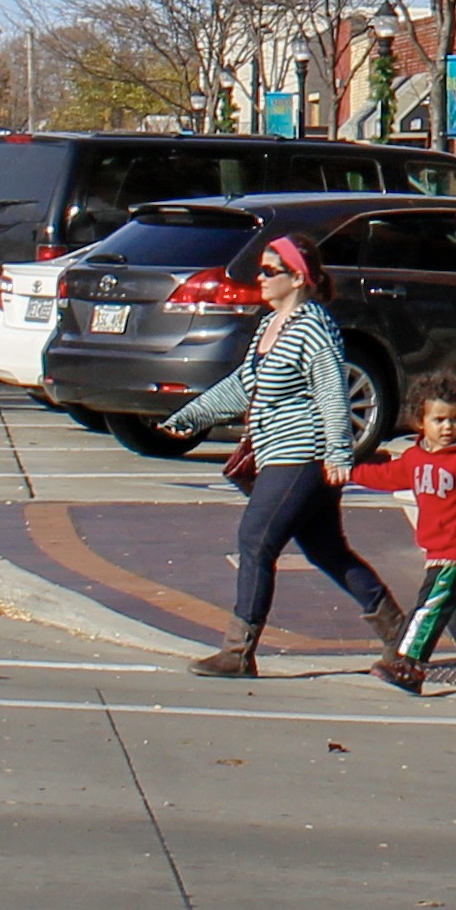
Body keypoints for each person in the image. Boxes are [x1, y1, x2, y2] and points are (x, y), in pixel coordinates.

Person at [169, 234, 404, 678]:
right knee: (327, 550)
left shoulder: (314, 326)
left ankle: (238, 652)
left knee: (256, 541)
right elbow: (245, 386)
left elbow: (332, 391)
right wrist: (191, 417)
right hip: (278, 453)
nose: (259, 278)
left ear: (297, 278)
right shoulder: (271, 324)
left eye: (269, 271)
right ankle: (398, 632)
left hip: (304, 456)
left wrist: (339, 452)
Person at [344, 371, 456, 695]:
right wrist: (350, 473)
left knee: (430, 607)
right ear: (419, 422)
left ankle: (409, 665)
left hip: (455, 553)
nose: (447, 427)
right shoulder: (416, 458)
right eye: (438, 420)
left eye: (453, 419)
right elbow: (388, 475)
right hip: (435, 549)